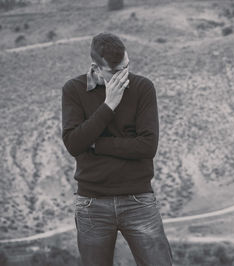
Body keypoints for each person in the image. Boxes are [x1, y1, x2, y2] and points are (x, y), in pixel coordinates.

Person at [61, 32, 173, 266]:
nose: (125, 76)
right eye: (116, 71)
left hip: (138, 199)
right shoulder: (73, 89)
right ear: (97, 68)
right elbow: (73, 143)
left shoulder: (142, 87)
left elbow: (147, 146)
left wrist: (96, 143)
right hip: (92, 203)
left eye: (126, 67)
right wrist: (109, 105)